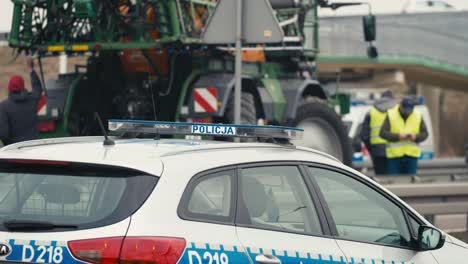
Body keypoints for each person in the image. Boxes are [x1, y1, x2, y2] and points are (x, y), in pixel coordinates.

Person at [380, 97, 428, 175]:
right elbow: (382, 133)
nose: (407, 112)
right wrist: (398, 137)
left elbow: (425, 134)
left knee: (411, 182)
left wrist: (415, 137)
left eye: (410, 110)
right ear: (400, 106)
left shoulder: (417, 115)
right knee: (394, 181)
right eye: (405, 109)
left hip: (411, 156)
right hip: (394, 157)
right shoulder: (391, 114)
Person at [0, 58, 43, 145]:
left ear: (9, 88)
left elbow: (4, 134)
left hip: (14, 149)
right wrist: (31, 70)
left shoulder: (3, 107)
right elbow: (38, 88)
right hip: (34, 145)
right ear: (23, 87)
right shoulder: (32, 99)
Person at [360, 91, 397, 175]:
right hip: (395, 150)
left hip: (377, 150)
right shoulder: (397, 111)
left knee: (381, 178)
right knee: (395, 178)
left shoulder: (371, 112)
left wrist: (371, 148)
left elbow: (364, 135)